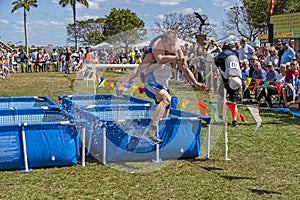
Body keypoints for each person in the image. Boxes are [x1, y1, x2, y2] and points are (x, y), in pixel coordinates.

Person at [116, 30, 208, 144]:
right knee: (166, 99)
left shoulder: (175, 54)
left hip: (164, 87)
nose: (171, 47)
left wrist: (196, 83)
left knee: (163, 118)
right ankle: (151, 130)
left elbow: (185, 69)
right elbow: (137, 69)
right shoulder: (151, 56)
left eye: (173, 45)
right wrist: (123, 83)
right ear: (163, 43)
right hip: (151, 84)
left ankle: (153, 141)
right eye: (169, 45)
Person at [214, 42, 242, 127]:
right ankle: (234, 121)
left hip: (227, 79)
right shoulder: (236, 53)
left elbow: (218, 67)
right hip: (238, 78)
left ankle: (219, 117)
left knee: (220, 98)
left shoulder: (221, 55)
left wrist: (219, 69)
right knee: (233, 102)